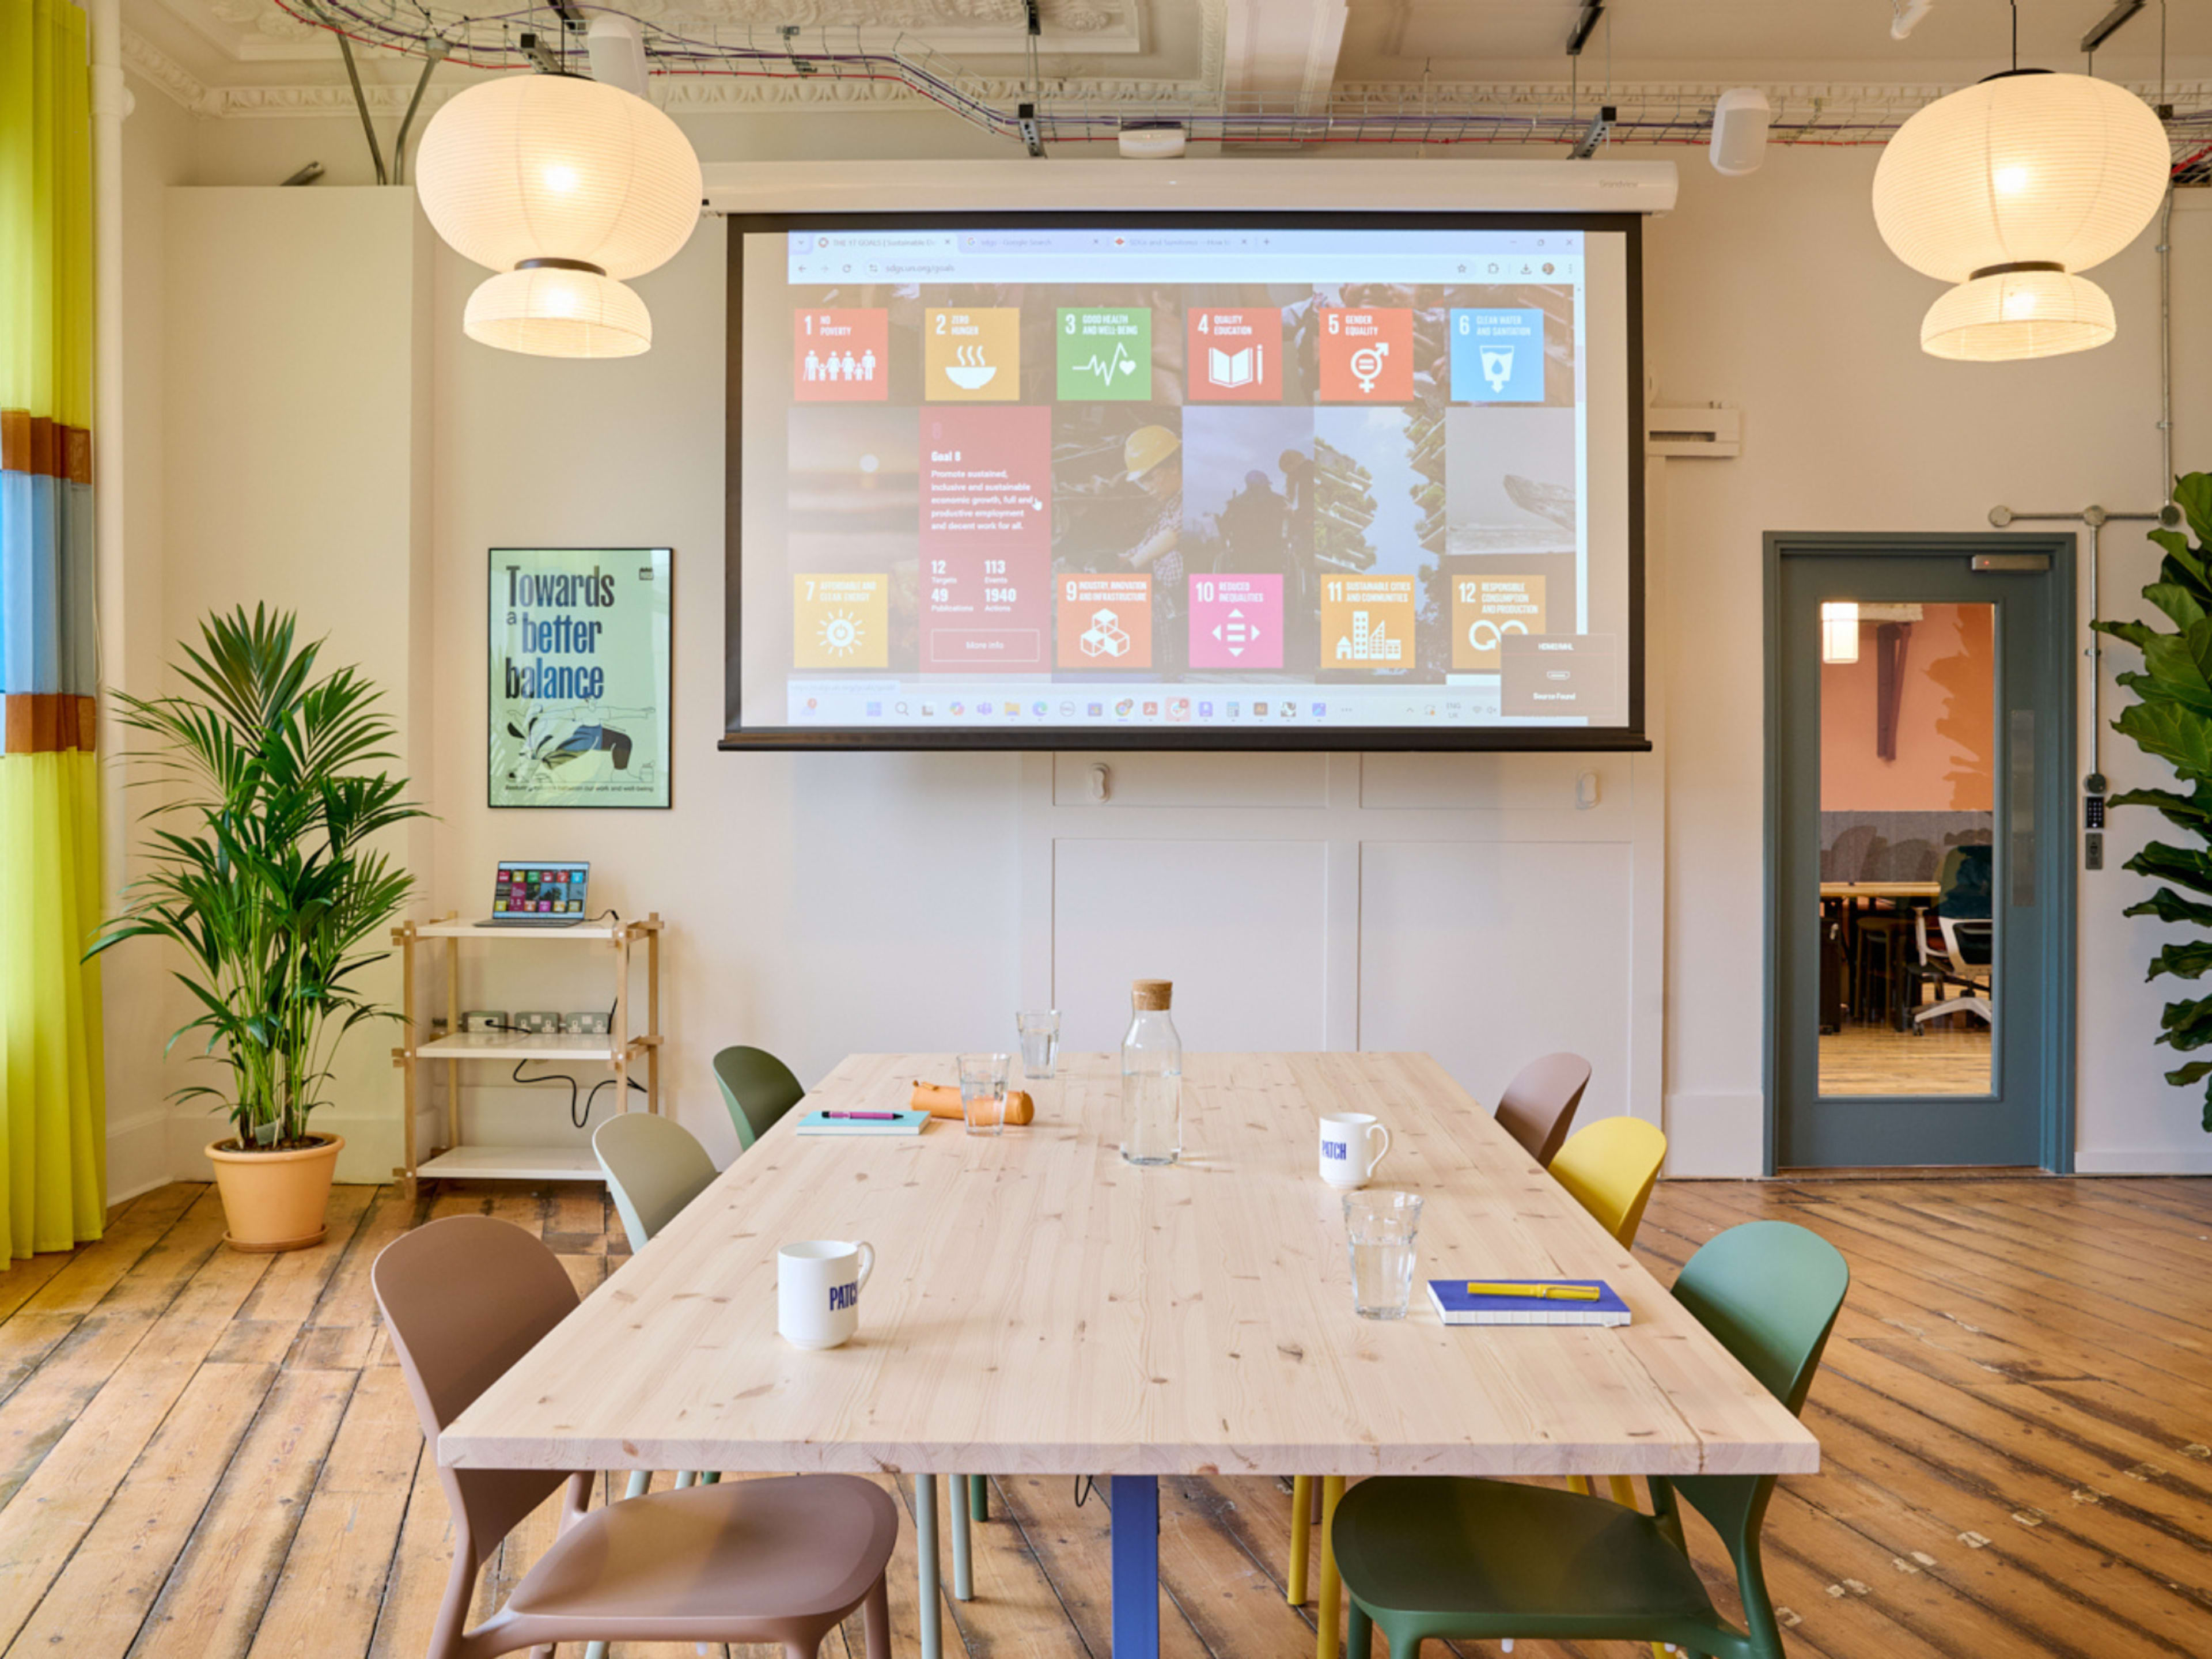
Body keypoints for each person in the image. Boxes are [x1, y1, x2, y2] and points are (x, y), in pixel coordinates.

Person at [1122, 424, 1184, 669]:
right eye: (1141, 482)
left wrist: (1133, 564)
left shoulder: (1192, 499)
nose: (1147, 488)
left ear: (1174, 466)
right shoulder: (1169, 506)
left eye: (1150, 478)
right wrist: (1120, 558)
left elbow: (1175, 532)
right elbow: (1149, 540)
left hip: (1179, 599)